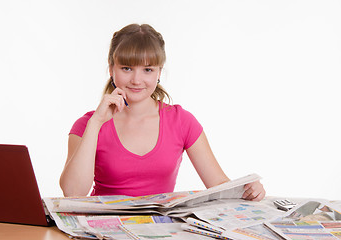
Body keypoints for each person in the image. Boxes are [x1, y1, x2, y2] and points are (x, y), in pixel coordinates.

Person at [59, 23, 265, 201]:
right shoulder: (87, 124)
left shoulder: (181, 121)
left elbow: (219, 185)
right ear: (112, 68)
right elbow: (73, 193)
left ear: (159, 72)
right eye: (127, 68)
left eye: (147, 70)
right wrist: (96, 123)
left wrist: (248, 191)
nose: (137, 80)